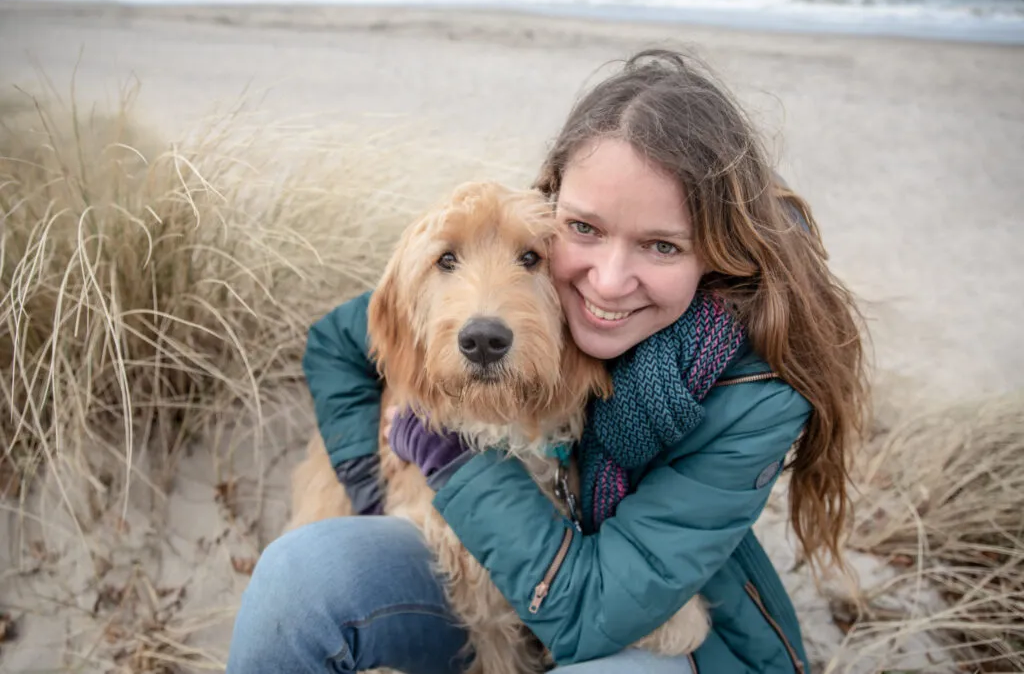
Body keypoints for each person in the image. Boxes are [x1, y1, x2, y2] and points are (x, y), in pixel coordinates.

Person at [225, 49, 868, 674]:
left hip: (652, 630)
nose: (610, 283)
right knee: (297, 576)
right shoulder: (525, 253)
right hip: (497, 566)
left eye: (662, 245)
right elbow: (343, 338)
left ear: (718, 253)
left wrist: (450, 459)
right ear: (554, 200)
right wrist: (369, 481)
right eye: (585, 229)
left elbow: (597, 611)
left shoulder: (753, 387)